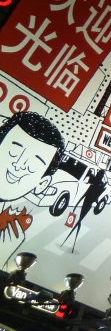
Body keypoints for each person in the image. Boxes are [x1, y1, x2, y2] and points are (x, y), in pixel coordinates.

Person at [0, 111, 64, 267]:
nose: (20, 164)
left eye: (35, 162)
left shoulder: (10, 237)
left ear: (42, 183)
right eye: (14, 149)